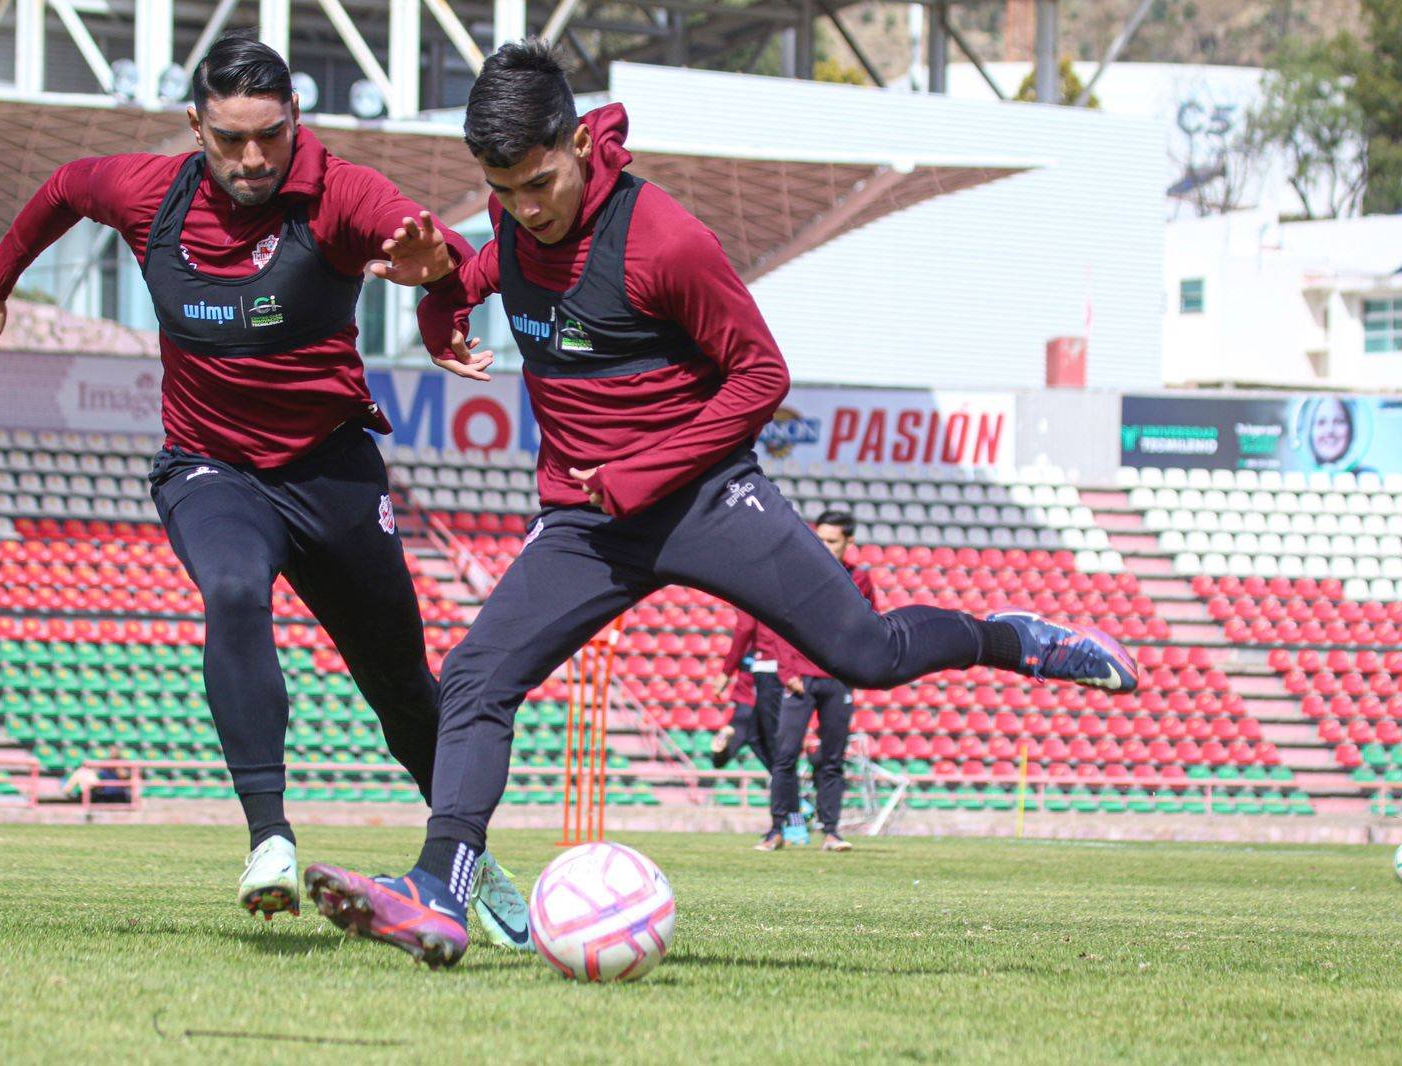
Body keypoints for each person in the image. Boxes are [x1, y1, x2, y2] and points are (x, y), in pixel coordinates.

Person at [301, 39, 1139, 969]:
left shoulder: (665, 241)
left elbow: (762, 378)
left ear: (580, 142)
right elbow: (479, 276)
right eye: (504, 193)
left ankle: (1011, 639)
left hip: (704, 498)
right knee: (472, 679)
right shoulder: (520, 226)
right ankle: (439, 891)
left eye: (539, 184)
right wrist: (437, 307)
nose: (526, 211)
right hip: (589, 524)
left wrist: (637, 473)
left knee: (867, 654)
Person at [0, 31, 530, 944]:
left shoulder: (338, 194)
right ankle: (270, 841)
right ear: (195, 127)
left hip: (330, 469)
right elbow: (64, 187)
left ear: (296, 119)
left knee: (402, 690)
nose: (254, 158)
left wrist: (435, 288)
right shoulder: (149, 194)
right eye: (230, 139)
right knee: (229, 585)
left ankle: (467, 859)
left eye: (270, 134)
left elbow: (446, 251)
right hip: (209, 467)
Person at [762, 511, 873, 854]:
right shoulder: (800, 574)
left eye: (832, 541)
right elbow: (781, 622)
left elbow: (870, 625)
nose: (823, 546)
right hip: (800, 679)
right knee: (784, 755)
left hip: (838, 680)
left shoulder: (861, 579)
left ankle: (831, 831)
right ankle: (777, 829)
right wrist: (787, 671)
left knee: (832, 759)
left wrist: (857, 671)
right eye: (819, 539)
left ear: (849, 543)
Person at [710, 610, 783, 775]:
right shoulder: (763, 649)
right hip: (757, 704)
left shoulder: (748, 648)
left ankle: (724, 742)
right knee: (769, 749)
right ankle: (785, 784)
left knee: (747, 741)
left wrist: (726, 674)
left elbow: (743, 631)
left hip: (744, 707)